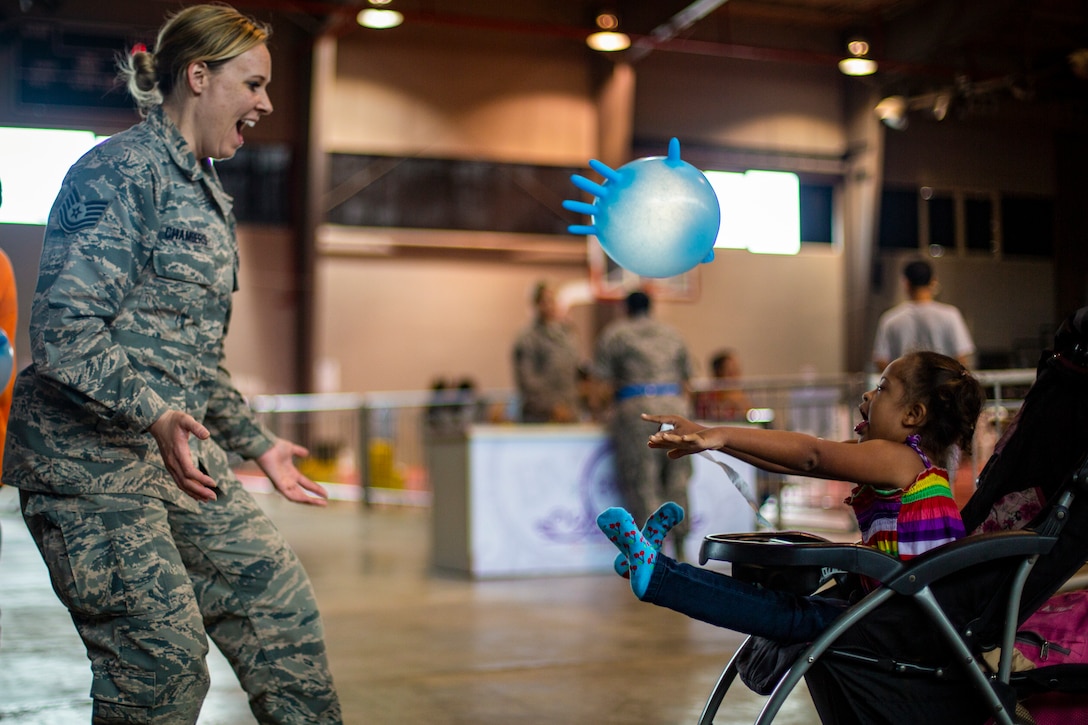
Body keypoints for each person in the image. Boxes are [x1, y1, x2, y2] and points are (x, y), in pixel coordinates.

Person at [1, 5, 341, 722]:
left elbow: (197, 365)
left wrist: (260, 444)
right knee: (160, 661)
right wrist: (154, 410)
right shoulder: (116, 172)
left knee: (279, 608)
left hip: (175, 452)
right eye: (253, 83)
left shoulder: (207, 193)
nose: (267, 103)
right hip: (86, 461)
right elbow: (64, 329)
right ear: (198, 76)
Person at [596, 351, 984, 645]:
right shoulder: (899, 462)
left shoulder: (901, 460)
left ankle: (658, 574)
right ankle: (649, 564)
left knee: (779, 612)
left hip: (906, 630)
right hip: (893, 614)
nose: (868, 393)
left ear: (913, 414)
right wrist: (708, 435)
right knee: (780, 597)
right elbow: (794, 462)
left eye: (882, 388)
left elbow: (810, 455)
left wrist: (721, 434)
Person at [593, 290, 693, 557]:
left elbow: (600, 380)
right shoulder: (672, 333)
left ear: (626, 309)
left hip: (636, 409)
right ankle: (682, 547)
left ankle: (651, 551)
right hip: (674, 408)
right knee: (677, 477)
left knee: (643, 478)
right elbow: (688, 377)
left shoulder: (616, 334)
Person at [872, 260, 975, 371]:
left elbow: (881, 361)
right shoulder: (951, 315)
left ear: (906, 283)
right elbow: (962, 358)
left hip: (906, 386)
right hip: (942, 385)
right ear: (933, 281)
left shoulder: (890, 319)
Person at [512, 280, 582, 423]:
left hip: (569, 412)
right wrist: (552, 408)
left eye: (553, 300)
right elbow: (528, 382)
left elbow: (575, 372)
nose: (550, 305)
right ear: (536, 304)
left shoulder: (567, 334)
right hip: (540, 416)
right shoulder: (528, 338)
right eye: (545, 301)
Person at [695, 349, 753, 421]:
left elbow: (751, 415)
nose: (736, 377)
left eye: (737, 371)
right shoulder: (707, 396)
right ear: (719, 373)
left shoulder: (739, 394)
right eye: (731, 373)